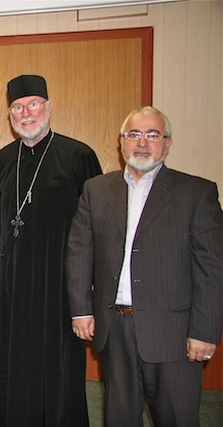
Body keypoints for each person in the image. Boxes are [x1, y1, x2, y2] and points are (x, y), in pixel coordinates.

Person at [66, 106, 223, 427]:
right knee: (119, 419)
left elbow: (212, 267)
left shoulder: (197, 192)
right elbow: (79, 252)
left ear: (168, 143)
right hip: (115, 330)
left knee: (177, 418)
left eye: (153, 135)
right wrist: (81, 310)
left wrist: (205, 332)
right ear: (121, 142)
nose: (142, 142)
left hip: (174, 335)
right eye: (134, 134)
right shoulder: (96, 189)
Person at [0, 75, 102, 426]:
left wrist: (89, 285)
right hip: (13, 283)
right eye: (17, 107)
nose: (26, 113)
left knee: (57, 366)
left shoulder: (79, 156)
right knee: (11, 364)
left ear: (49, 108)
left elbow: (96, 226)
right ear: (10, 115)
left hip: (59, 283)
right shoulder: (2, 160)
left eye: (33, 104)